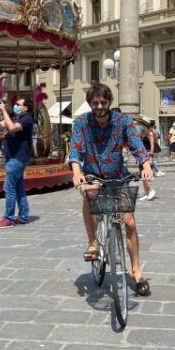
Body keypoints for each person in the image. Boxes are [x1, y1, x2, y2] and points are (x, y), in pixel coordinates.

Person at [68, 83, 154, 296]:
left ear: (109, 102)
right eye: (95, 102)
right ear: (90, 103)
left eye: (103, 102)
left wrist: (145, 165)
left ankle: (135, 271)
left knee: (129, 221)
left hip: (118, 175)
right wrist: (76, 171)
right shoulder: (81, 123)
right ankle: (93, 243)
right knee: (90, 193)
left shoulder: (123, 121)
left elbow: (136, 144)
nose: (99, 106)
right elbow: (76, 148)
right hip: (93, 174)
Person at [0, 97, 34, 228]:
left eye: (18, 104)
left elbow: (11, 127)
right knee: (19, 188)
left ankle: (8, 218)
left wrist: (4, 110)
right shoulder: (17, 118)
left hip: (17, 158)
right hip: (13, 157)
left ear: (25, 108)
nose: (15, 106)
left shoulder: (27, 119)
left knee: (9, 188)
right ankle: (23, 216)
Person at [138, 119, 158, 201]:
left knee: (145, 174)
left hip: (147, 155)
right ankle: (147, 193)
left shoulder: (150, 133)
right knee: (142, 174)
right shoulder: (143, 133)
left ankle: (151, 190)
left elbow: (152, 146)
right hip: (142, 155)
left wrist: (150, 157)